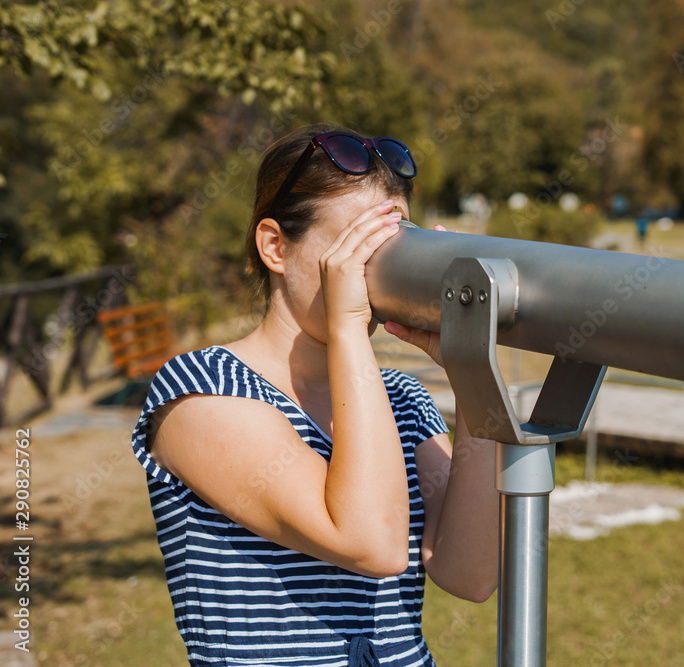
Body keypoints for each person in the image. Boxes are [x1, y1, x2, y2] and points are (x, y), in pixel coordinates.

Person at [131, 123, 499, 666]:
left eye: (394, 246)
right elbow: (371, 543)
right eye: (356, 247)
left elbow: (470, 574)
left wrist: (472, 376)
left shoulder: (402, 399)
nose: (375, 271)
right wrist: (348, 326)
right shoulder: (201, 393)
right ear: (275, 246)